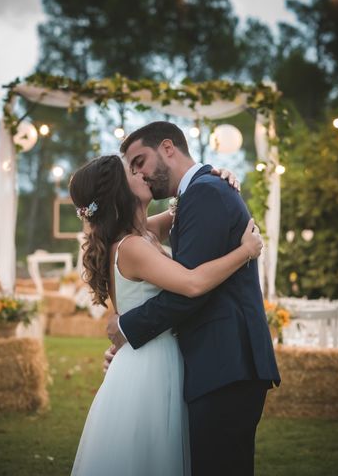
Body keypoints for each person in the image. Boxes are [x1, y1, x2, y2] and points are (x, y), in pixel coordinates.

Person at [69, 154, 263, 476]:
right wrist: (246, 251)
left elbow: (190, 206)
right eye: (132, 171)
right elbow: (192, 283)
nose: (142, 173)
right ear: (120, 190)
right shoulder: (132, 246)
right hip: (150, 366)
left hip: (154, 354)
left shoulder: (144, 232)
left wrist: (215, 177)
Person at [107, 121, 281, 476]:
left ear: (168, 148)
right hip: (218, 363)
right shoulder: (196, 194)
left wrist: (127, 328)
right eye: (131, 168)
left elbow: (190, 292)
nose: (138, 173)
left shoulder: (205, 192)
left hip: (227, 362)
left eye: (140, 160)